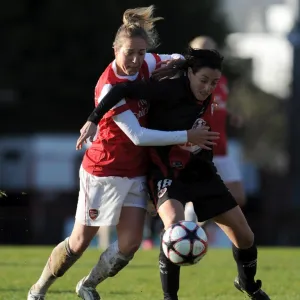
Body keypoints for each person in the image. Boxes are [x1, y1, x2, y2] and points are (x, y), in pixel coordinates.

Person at [27, 6, 213, 300]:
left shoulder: (146, 64)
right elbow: (138, 137)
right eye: (130, 52)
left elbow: (177, 58)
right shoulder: (107, 87)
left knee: (130, 243)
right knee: (78, 243)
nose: (137, 59)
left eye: (142, 52)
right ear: (115, 49)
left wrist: (182, 65)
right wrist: (187, 136)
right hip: (103, 171)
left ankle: (88, 285)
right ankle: (39, 288)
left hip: (136, 171)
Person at [78, 48, 270, 300]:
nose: (208, 87)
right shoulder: (168, 89)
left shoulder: (208, 96)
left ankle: (248, 284)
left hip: (201, 172)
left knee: (245, 237)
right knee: (174, 230)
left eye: (213, 83)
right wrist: (93, 118)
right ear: (190, 74)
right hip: (167, 172)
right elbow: (120, 90)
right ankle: (170, 297)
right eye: (203, 81)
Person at [185, 36, 246, 225]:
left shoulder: (221, 79)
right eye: (201, 50)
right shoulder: (188, 80)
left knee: (238, 197)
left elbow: (218, 107)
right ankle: (187, 227)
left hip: (222, 147)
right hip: (201, 146)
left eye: (211, 50)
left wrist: (231, 115)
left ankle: (194, 222)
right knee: (195, 192)